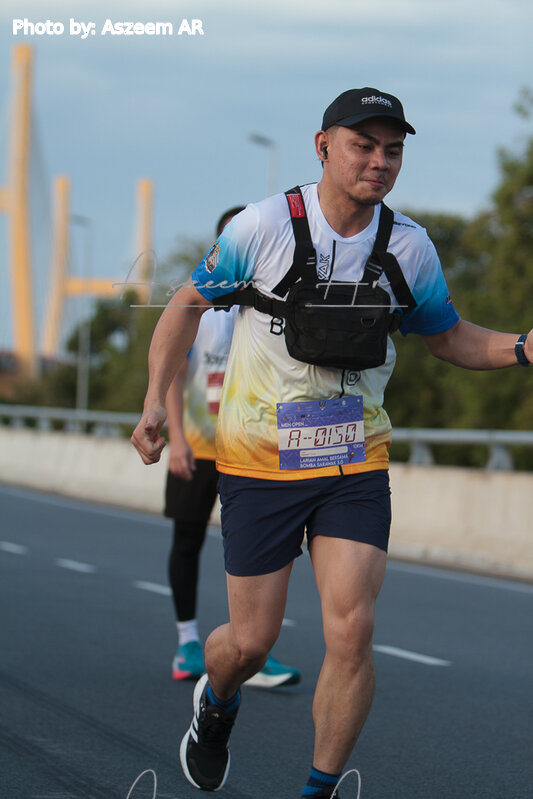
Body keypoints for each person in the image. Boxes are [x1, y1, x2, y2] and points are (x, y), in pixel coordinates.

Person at [131, 87, 533, 798]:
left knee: (352, 630)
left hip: (354, 459)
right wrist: (153, 402)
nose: (379, 161)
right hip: (259, 462)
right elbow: (186, 305)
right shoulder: (264, 226)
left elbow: (447, 337)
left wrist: (523, 348)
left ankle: (316, 790)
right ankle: (215, 703)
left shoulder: (407, 245)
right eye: (363, 145)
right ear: (323, 147)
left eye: (393, 150)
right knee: (249, 642)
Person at [165, 207, 300, 688]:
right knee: (188, 541)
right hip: (200, 448)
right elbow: (173, 375)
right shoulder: (199, 308)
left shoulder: (277, 300)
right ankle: (187, 642)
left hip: (254, 452)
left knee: (258, 554)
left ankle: (252, 652)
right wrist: (177, 440)